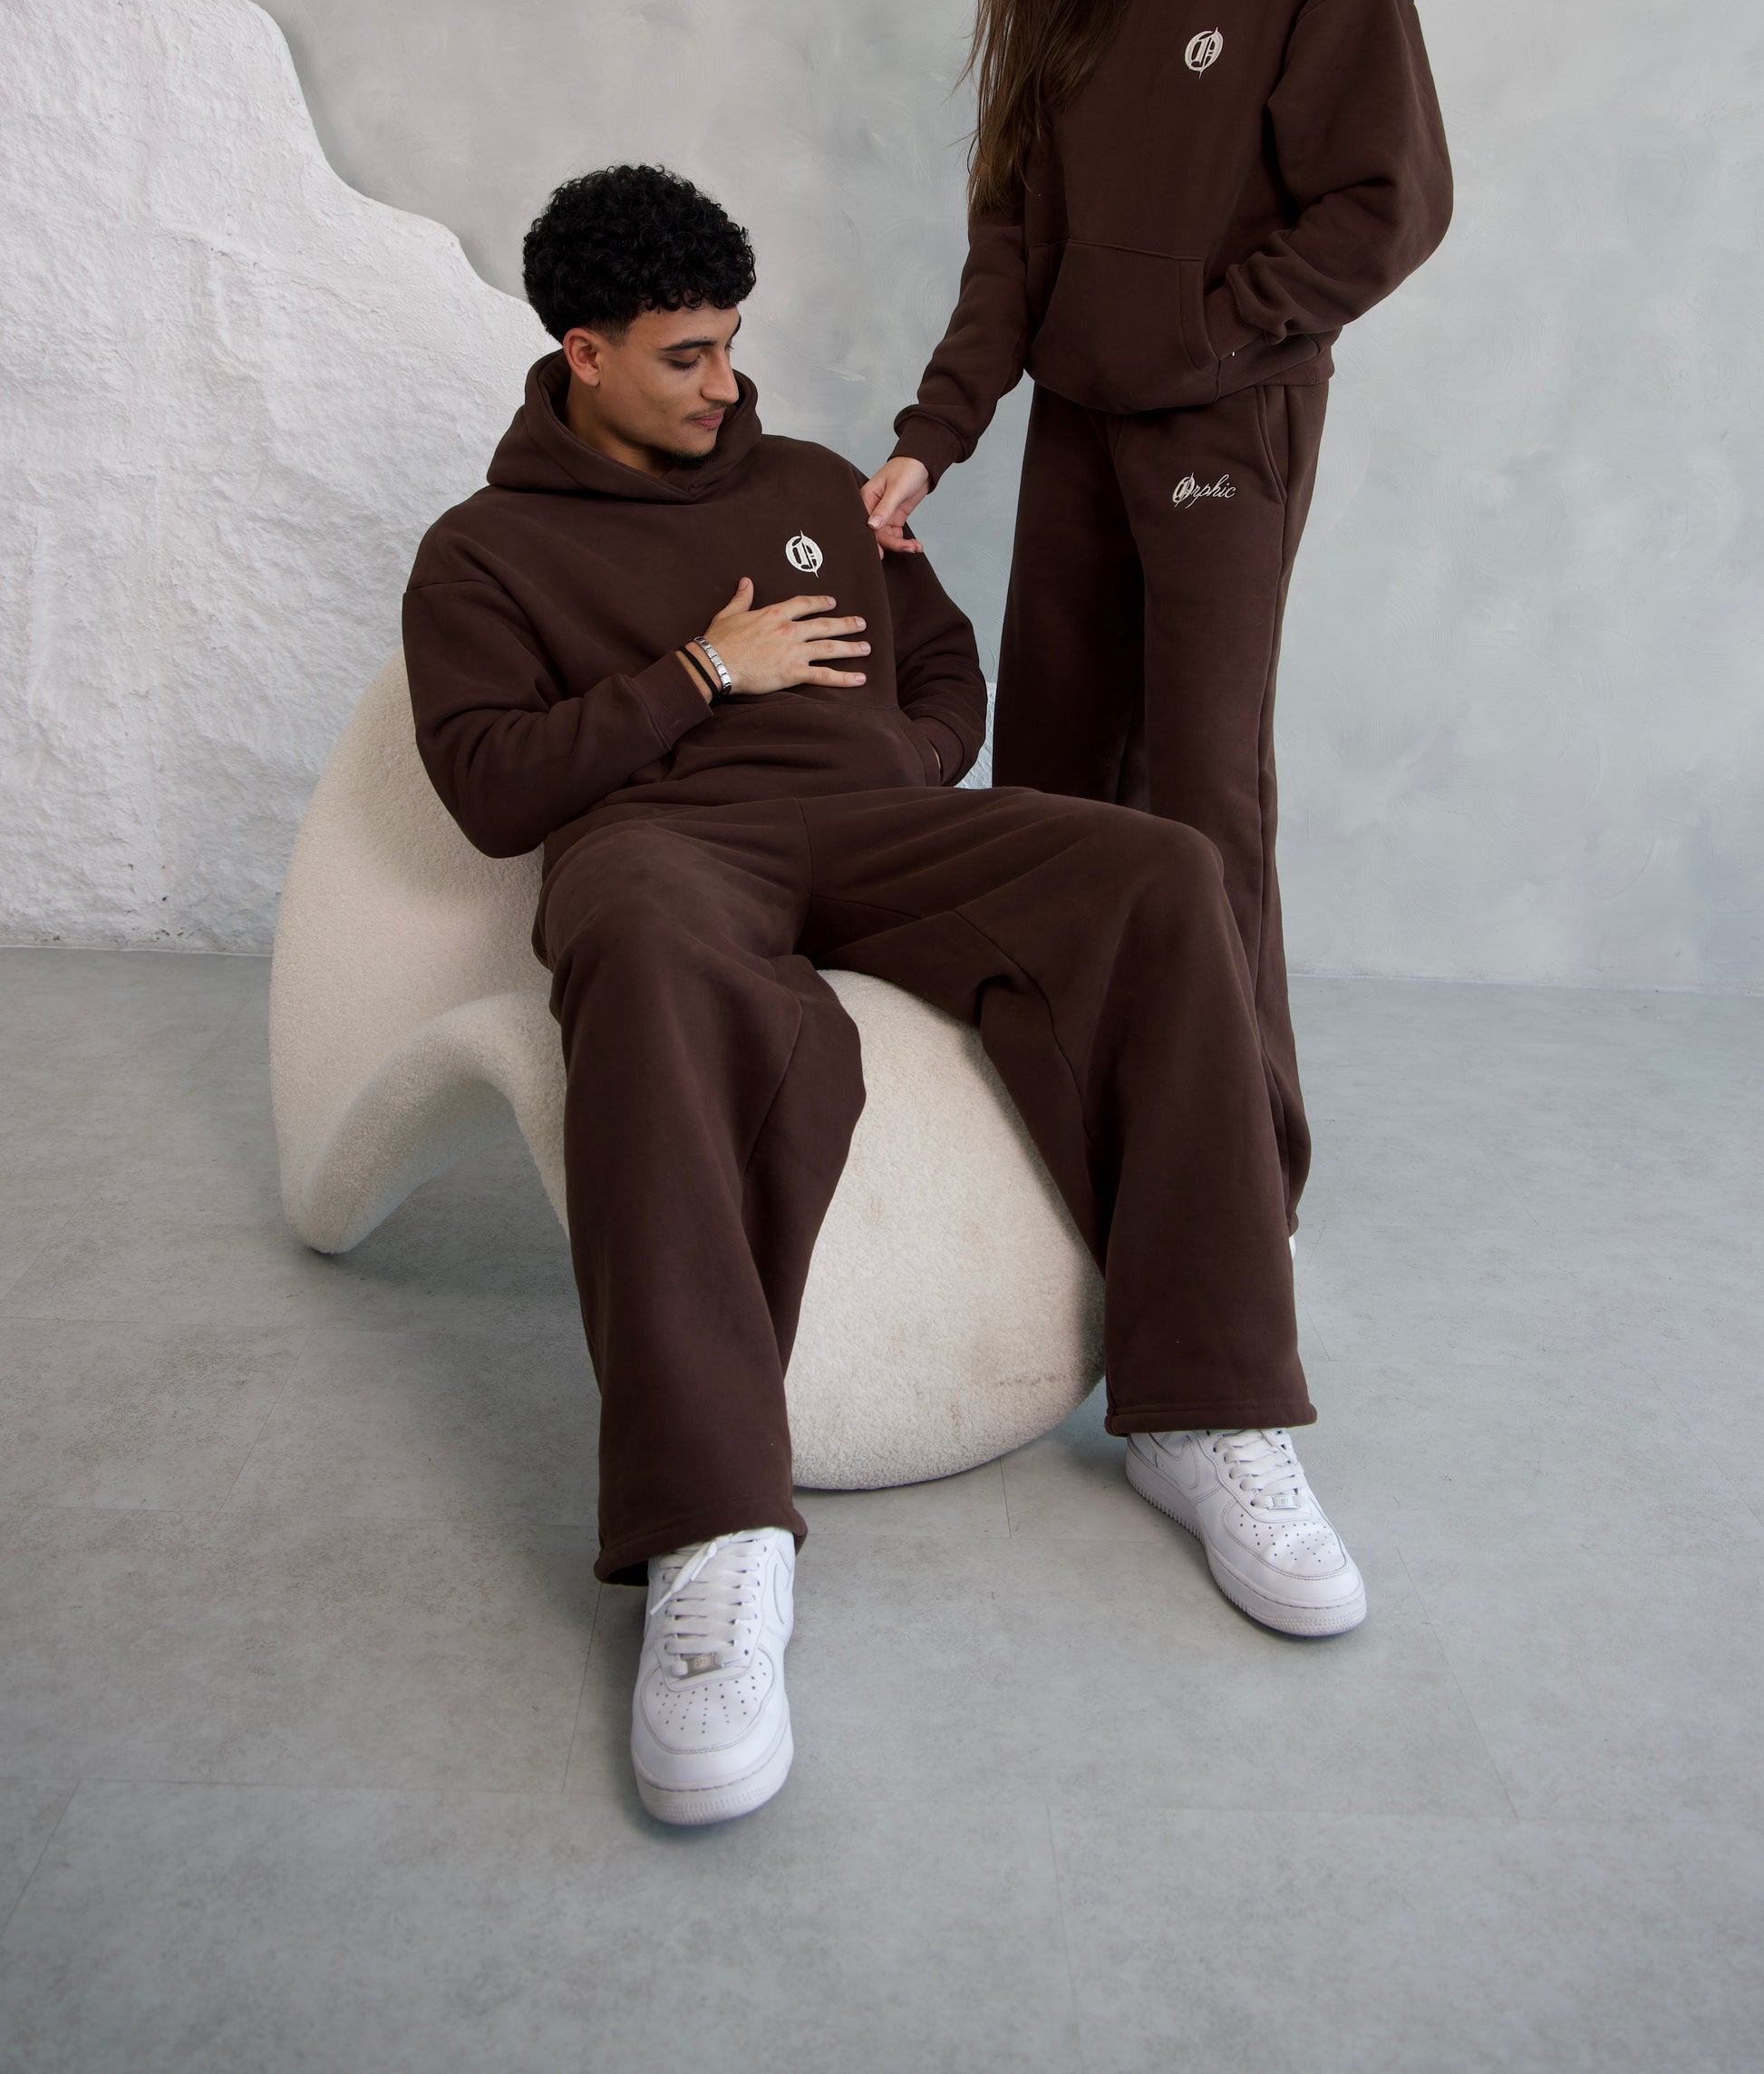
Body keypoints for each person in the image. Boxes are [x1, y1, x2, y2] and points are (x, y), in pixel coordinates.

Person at [403, 162, 1365, 1833]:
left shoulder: (802, 483)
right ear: (582, 352)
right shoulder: (482, 553)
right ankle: (712, 1532)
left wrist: (901, 761)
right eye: (685, 356)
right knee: (637, 948)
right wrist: (703, 674)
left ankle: (1207, 1410)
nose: (725, 385)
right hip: (666, 847)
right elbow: (493, 790)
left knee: (1157, 871)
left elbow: (940, 663)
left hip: (881, 827)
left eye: (730, 346)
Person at [863, 0, 1452, 1223]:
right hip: (1074, 431)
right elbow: (1011, 253)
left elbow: (1387, 204)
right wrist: (931, 439)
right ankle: (1057, 1140)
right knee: (1054, 780)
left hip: (1225, 427)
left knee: (1198, 799)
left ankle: (1242, 1183)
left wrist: (1204, 333)